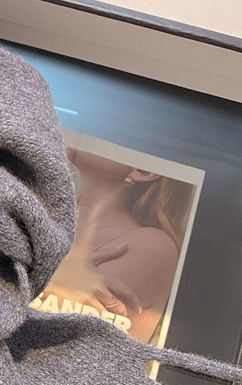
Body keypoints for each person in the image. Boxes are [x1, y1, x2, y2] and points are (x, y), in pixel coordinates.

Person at [40, 147, 193, 343]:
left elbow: (52, 340)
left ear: (143, 171)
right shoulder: (50, 221)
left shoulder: (151, 246)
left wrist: (46, 280)